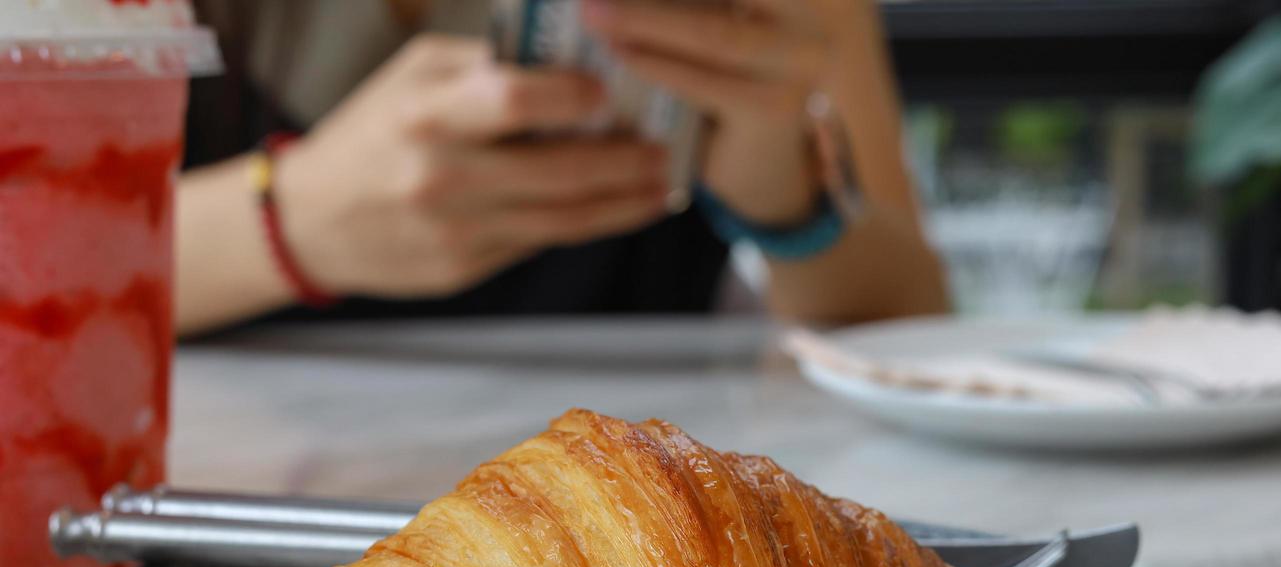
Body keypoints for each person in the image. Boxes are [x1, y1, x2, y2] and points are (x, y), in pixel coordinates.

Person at [177, 0, 947, 335]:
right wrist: (291, 220)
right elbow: (54, 282)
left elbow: (910, 322)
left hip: (636, 526)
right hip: (203, 513)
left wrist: (780, 192)